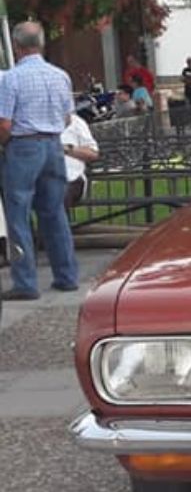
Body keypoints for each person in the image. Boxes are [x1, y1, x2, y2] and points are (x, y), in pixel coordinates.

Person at [0, 21, 79, 300]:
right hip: (53, 144)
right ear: (41, 43)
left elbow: (5, 123)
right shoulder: (60, 75)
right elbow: (68, 117)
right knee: (54, 212)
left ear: (17, 45)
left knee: (19, 215)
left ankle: (25, 281)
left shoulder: (11, 79)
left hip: (23, 145)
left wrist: (4, 144)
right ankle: (67, 275)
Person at [61, 113, 99, 208]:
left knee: (56, 198)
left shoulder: (76, 122)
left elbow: (93, 154)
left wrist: (65, 149)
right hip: (39, 179)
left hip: (71, 179)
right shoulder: (31, 122)